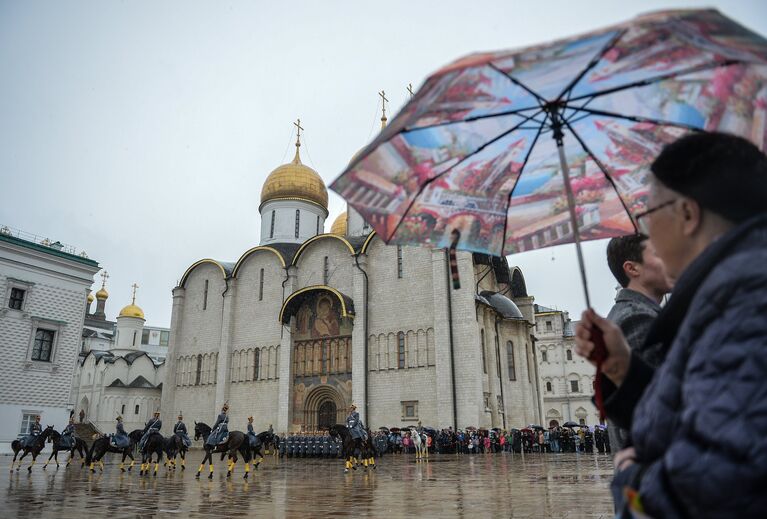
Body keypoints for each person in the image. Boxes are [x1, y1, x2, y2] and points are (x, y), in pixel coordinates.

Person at [575, 132, 767, 517]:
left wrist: (631, 482)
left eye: (647, 214)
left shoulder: (746, 303)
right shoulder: (727, 296)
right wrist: (624, 370)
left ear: (687, 214)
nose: (646, 231)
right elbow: (701, 411)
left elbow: (712, 489)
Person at [605, 233, 673, 451]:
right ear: (633, 268)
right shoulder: (637, 318)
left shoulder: (630, 313)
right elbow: (645, 408)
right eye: (658, 254)